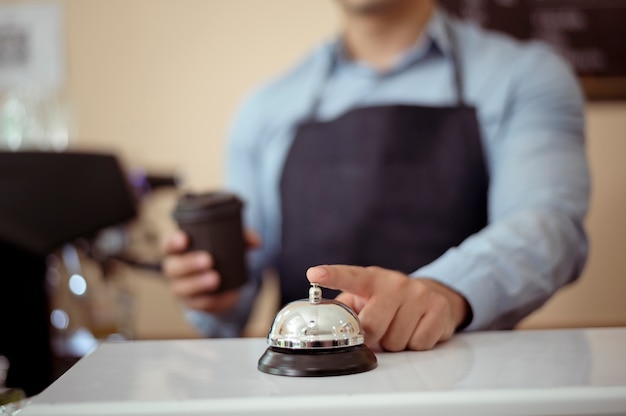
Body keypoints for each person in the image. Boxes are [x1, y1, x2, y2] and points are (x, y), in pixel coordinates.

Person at [163, 0, 589, 351]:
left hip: (466, 383)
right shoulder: (264, 109)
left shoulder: (526, 77)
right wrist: (214, 295)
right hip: (304, 389)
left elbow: (550, 225)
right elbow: (234, 302)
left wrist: (444, 291)